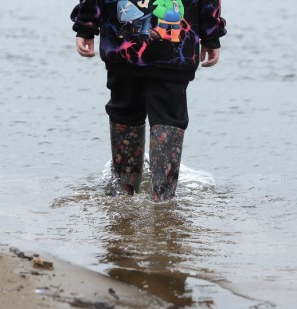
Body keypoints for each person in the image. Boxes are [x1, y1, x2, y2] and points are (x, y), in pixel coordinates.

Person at [71, 0, 226, 201]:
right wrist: (211, 33)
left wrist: (86, 24)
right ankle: (163, 198)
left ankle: (123, 194)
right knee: (168, 117)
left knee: (125, 111)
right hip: (175, 50)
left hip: (123, 47)